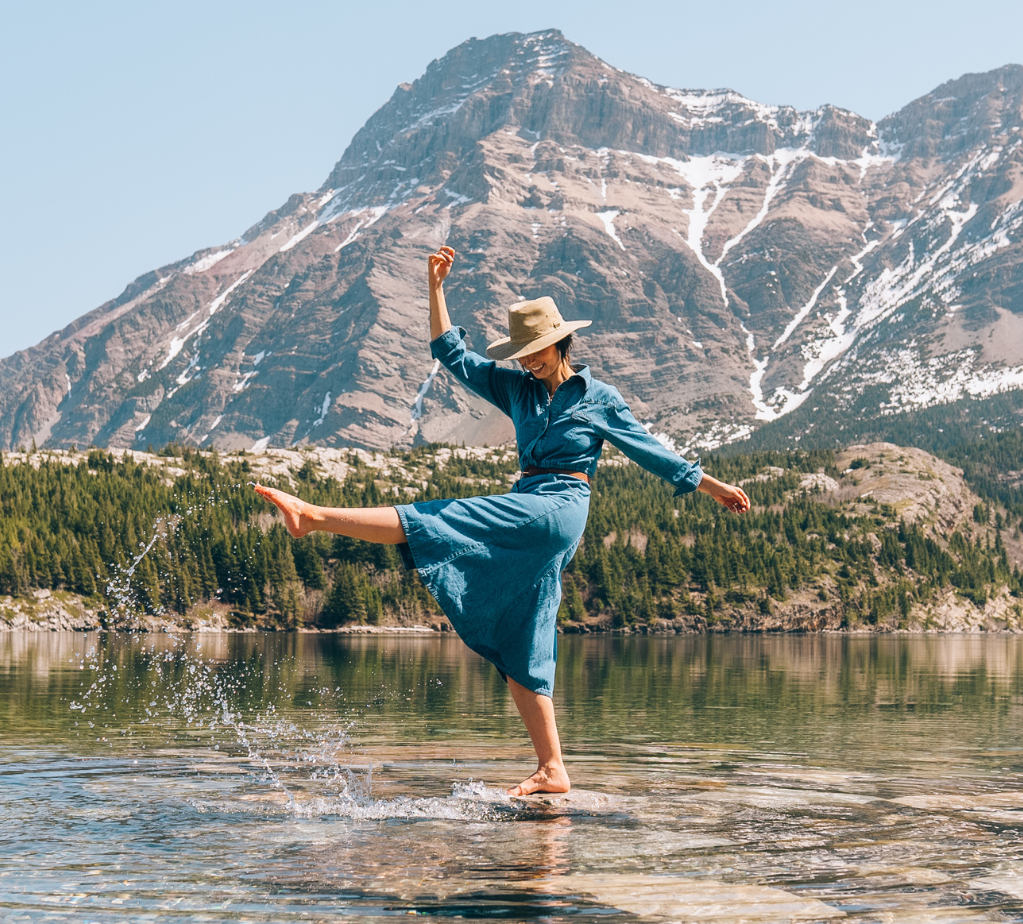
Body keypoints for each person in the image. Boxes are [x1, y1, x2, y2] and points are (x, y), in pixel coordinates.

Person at [255, 246, 750, 797]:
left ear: (562, 343)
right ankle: (552, 768)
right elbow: (451, 354)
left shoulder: (599, 398)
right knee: (524, 633)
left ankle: (314, 516)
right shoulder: (516, 388)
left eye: (537, 352)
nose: (530, 362)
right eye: (523, 354)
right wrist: (435, 288)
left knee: (446, 517)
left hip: (561, 506)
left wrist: (713, 487)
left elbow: (648, 450)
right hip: (528, 499)